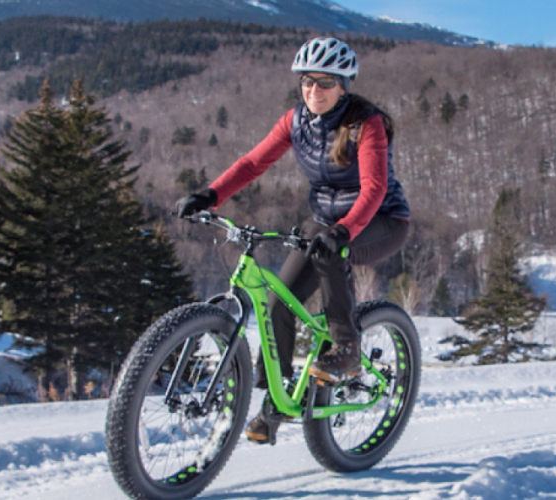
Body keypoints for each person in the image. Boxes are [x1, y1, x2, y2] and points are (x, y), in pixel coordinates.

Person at [175, 37, 411, 445]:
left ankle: (347, 349)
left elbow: (374, 188)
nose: (313, 92)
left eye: (324, 83)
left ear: (343, 86)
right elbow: (253, 162)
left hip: (381, 220)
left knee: (332, 255)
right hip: (326, 221)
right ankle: (276, 404)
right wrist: (211, 194)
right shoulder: (296, 121)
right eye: (306, 82)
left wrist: (343, 231)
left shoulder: (364, 124)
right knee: (278, 300)